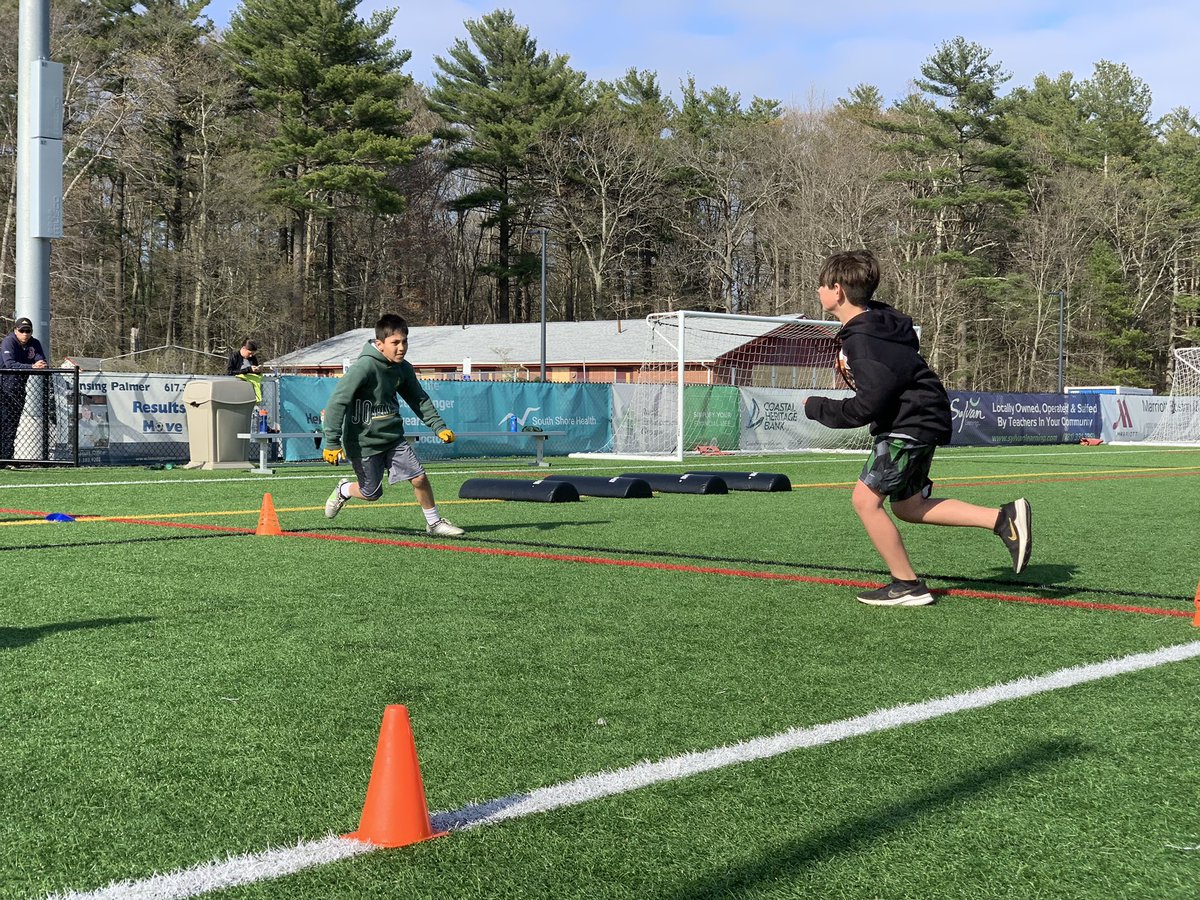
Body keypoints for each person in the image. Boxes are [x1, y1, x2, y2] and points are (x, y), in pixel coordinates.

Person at [802, 250, 1031, 606]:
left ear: (837, 291)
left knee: (865, 501)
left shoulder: (864, 340)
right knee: (908, 507)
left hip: (910, 423)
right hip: (920, 417)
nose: (817, 292)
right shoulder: (876, 324)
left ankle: (907, 585)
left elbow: (867, 406)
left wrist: (816, 407)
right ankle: (1003, 519)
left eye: (821, 285)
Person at [321, 313, 464, 537]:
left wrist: (438, 426)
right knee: (371, 493)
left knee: (419, 477)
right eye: (395, 343)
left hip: (394, 438)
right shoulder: (364, 367)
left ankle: (434, 523)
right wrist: (331, 442)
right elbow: (337, 402)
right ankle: (344, 489)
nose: (401, 348)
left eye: (404, 341)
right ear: (380, 344)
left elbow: (419, 399)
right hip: (364, 442)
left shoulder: (403, 368)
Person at [0, 317, 48, 461]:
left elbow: (42, 362)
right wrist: (32, 367)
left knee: (12, 425)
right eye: (22, 330)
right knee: (4, 423)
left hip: (19, 389)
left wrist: (39, 365)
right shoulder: (9, 341)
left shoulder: (34, 343)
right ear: (16, 330)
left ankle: (7, 458)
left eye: (28, 331)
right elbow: (10, 365)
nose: (25, 334)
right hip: (3, 389)